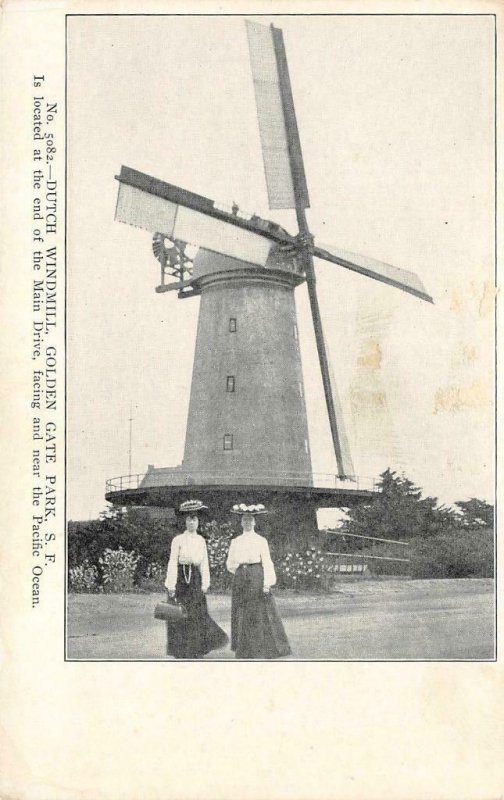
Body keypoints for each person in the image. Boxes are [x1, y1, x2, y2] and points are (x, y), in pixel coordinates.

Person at [226, 503, 291, 659]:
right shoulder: (236, 541)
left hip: (257, 575)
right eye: (245, 520)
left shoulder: (261, 540)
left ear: (254, 522)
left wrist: (267, 582)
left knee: (257, 611)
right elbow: (230, 564)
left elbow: (267, 562)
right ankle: (244, 649)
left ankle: (260, 647)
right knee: (242, 611)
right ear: (241, 523)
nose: (247, 523)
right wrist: (241, 571)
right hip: (241, 576)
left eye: (250, 520)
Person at [164, 499, 228, 659]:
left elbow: (204, 563)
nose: (192, 522)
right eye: (189, 519)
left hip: (195, 579)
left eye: (195, 519)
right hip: (180, 578)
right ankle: (180, 650)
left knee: (196, 613)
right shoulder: (178, 540)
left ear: (198, 521)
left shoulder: (201, 541)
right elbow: (172, 562)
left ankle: (196, 649)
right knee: (179, 613)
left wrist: (205, 583)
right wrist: (171, 585)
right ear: (184, 521)